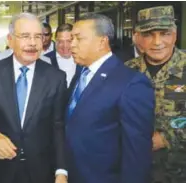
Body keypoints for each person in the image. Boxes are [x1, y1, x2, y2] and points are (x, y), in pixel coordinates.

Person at [0, 12, 67, 183]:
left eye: (37, 37)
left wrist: (61, 171)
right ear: (10, 40)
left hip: (41, 170)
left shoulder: (56, 78)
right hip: (0, 169)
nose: (32, 43)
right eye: (25, 36)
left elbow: (58, 126)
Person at [66, 13, 155, 183]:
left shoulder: (131, 83)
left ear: (102, 41)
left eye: (78, 38)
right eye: (71, 39)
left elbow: (137, 151)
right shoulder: (81, 73)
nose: (72, 45)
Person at [125, 5, 186, 183]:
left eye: (165, 33)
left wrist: (166, 138)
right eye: (148, 35)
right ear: (136, 38)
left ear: (174, 36)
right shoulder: (127, 70)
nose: (157, 42)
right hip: (136, 171)